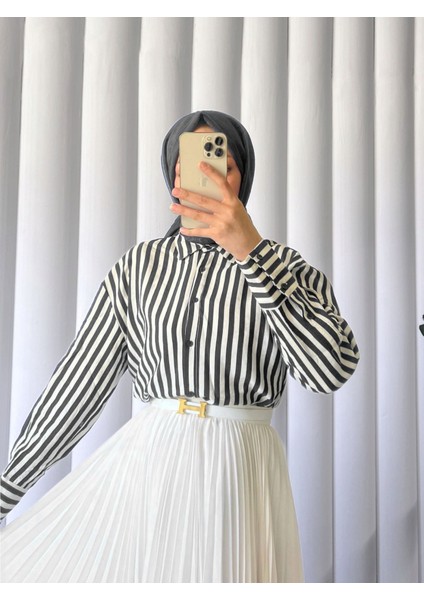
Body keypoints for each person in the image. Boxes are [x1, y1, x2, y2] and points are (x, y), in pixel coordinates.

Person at [0, 110, 360, 583]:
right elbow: (77, 386)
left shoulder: (288, 268)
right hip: (150, 465)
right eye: (190, 164)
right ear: (173, 175)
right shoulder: (139, 266)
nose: (207, 174)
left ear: (243, 175)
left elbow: (328, 371)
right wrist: (7, 491)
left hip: (240, 472)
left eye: (222, 163)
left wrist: (251, 251)